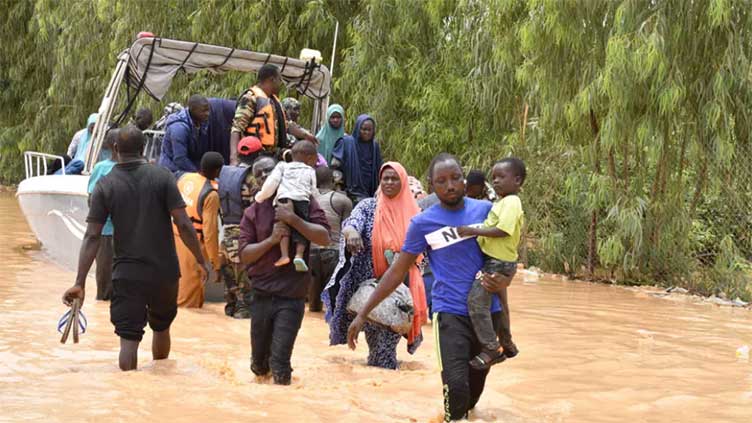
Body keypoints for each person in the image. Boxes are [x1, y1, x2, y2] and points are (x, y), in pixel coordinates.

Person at [346, 153, 513, 421]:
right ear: (432, 185)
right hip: (450, 314)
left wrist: (505, 314)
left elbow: (504, 259)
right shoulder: (423, 223)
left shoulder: (485, 212)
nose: (450, 186)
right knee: (456, 386)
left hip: (486, 312)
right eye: (442, 181)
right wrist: (364, 313)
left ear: (464, 179)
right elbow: (396, 271)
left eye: (456, 178)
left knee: (474, 390)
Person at [62, 125, 209, 371]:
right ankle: (158, 384)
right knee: (161, 328)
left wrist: (80, 282)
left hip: (127, 274)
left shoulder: (105, 185)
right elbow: (183, 223)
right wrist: (201, 259)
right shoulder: (163, 177)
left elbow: (92, 236)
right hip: (164, 272)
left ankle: (129, 392)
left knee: (128, 341)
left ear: (115, 149)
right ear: (144, 149)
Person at [323, 162, 427, 370]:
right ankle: (383, 385)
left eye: (394, 178)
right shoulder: (369, 207)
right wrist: (351, 233)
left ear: (404, 182)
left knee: (385, 345)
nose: (389, 182)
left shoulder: (416, 215)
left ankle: (383, 382)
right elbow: (353, 222)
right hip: (369, 288)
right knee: (378, 347)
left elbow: (425, 254)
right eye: (385, 178)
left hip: (401, 290)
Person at [238, 170, 330, 386]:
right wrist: (271, 240)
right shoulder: (253, 211)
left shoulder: (305, 204)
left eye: (267, 173)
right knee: (258, 366)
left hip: (292, 295)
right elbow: (244, 254)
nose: (262, 177)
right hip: (261, 293)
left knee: (280, 364)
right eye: (258, 174)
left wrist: (293, 219)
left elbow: (324, 238)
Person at [457, 158, 525, 369]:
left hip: (496, 264)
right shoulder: (503, 202)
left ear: (517, 180)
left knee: (476, 303)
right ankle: (507, 342)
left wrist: (472, 230)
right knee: (500, 304)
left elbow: (502, 230)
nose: (496, 181)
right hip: (498, 261)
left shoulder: (512, 202)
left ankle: (491, 348)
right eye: (494, 177)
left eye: (501, 177)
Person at [217, 137, 267, 318]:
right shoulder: (252, 178)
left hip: (225, 239)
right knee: (245, 302)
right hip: (242, 238)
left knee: (231, 293)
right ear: (259, 155)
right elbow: (260, 208)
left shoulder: (224, 173)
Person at [254, 141, 318, 272]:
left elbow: (272, 183)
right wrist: (315, 204)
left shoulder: (282, 166)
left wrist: (260, 196)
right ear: (310, 158)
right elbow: (313, 190)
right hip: (302, 200)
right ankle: (299, 256)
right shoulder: (310, 170)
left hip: (284, 199)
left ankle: (284, 255)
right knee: (301, 228)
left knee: (283, 227)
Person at [174, 152, 225, 308]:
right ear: (217, 171)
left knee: (175, 292)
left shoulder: (184, 178)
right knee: (188, 302)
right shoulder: (211, 194)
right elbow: (210, 233)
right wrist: (215, 264)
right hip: (193, 246)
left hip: (174, 239)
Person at [309, 166, 353, 312]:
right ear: (333, 180)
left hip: (311, 252)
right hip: (333, 252)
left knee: (313, 305)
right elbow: (348, 229)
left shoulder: (308, 198)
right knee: (333, 305)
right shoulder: (342, 200)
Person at [230, 64, 287, 164]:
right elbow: (237, 128)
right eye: (279, 79)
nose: (280, 83)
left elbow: (284, 125)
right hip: (253, 156)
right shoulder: (250, 98)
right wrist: (234, 158)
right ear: (272, 79)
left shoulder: (273, 101)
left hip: (272, 156)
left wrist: (304, 134)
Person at [87, 129, 119, 301]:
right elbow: (91, 198)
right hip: (106, 231)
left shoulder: (131, 167)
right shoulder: (101, 168)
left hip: (128, 232)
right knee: (105, 279)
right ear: (114, 146)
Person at [331, 114, 383, 203]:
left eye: (369, 130)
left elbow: (379, 168)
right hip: (349, 192)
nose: (366, 132)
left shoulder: (374, 146)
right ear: (358, 128)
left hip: (370, 191)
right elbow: (335, 167)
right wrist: (338, 189)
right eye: (363, 129)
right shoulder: (346, 143)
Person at [158, 95, 211, 175]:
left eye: (208, 110)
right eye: (204, 111)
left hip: (188, 165)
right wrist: (197, 173)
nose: (208, 113)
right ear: (193, 110)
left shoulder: (201, 121)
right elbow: (180, 159)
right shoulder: (179, 128)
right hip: (171, 170)